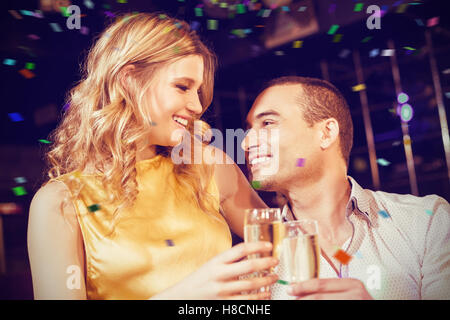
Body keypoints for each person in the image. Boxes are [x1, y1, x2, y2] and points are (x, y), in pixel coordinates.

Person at [27, 13, 279, 300]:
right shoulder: (60, 202)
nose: (197, 105)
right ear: (129, 80)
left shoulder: (210, 167)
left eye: (198, 91)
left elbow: (288, 247)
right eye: (182, 87)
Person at [242, 76, 450, 300]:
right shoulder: (257, 263)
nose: (245, 143)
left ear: (326, 133)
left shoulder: (425, 221)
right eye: (248, 129)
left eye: (268, 123)